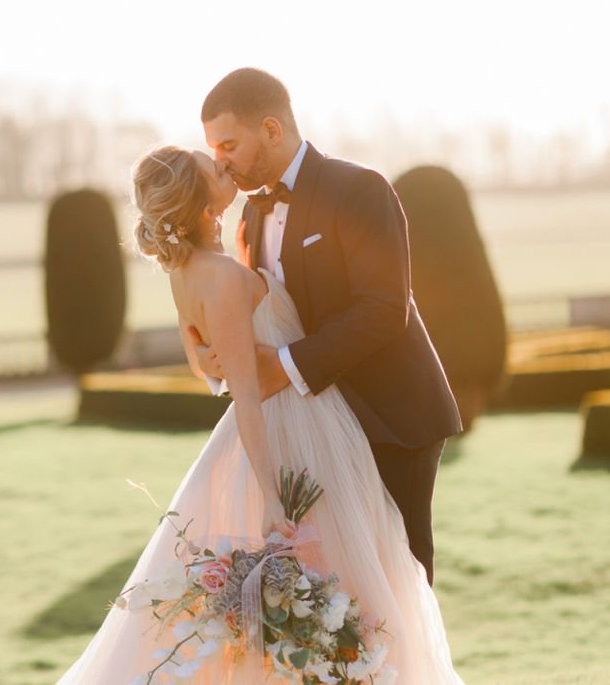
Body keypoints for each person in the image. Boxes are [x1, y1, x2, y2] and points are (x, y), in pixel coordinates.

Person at [55, 138, 464, 683]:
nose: (224, 163)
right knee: (355, 576)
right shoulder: (220, 275)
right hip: (295, 432)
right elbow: (240, 391)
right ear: (205, 203)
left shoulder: (192, 270)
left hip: (308, 417)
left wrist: (220, 356)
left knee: (355, 576)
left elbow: (207, 368)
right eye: (212, 167)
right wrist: (272, 497)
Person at [194, 68, 463, 587]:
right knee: (328, 584)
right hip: (313, 429)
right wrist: (219, 363)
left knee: (395, 586)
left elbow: (385, 307)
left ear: (271, 130)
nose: (218, 161)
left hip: (391, 418)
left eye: (228, 143)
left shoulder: (359, 188)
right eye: (212, 148)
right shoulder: (250, 216)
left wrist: (284, 368)